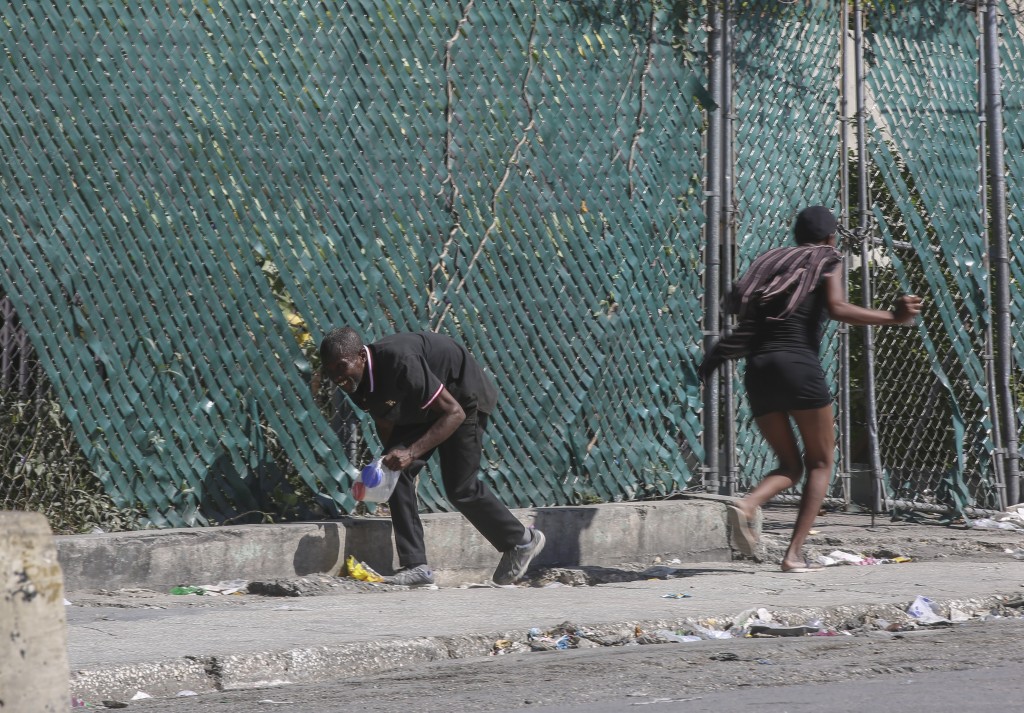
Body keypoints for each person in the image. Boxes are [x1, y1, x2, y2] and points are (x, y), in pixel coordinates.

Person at [699, 206, 923, 573]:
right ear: (832, 237)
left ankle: (748, 504)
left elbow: (746, 318)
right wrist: (893, 317)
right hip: (799, 368)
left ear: (795, 234)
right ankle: (793, 555)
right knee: (820, 462)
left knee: (790, 464)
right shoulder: (827, 259)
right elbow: (835, 307)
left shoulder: (771, 263)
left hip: (758, 371)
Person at [319, 327, 546, 586]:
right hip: (421, 410)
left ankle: (522, 541)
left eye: (341, 366)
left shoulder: (399, 361)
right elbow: (383, 419)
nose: (337, 376)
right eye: (330, 370)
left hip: (461, 398)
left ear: (361, 355)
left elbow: (453, 413)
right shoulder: (355, 382)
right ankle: (417, 568)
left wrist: (411, 452)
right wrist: (392, 463)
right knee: (395, 473)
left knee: (461, 488)